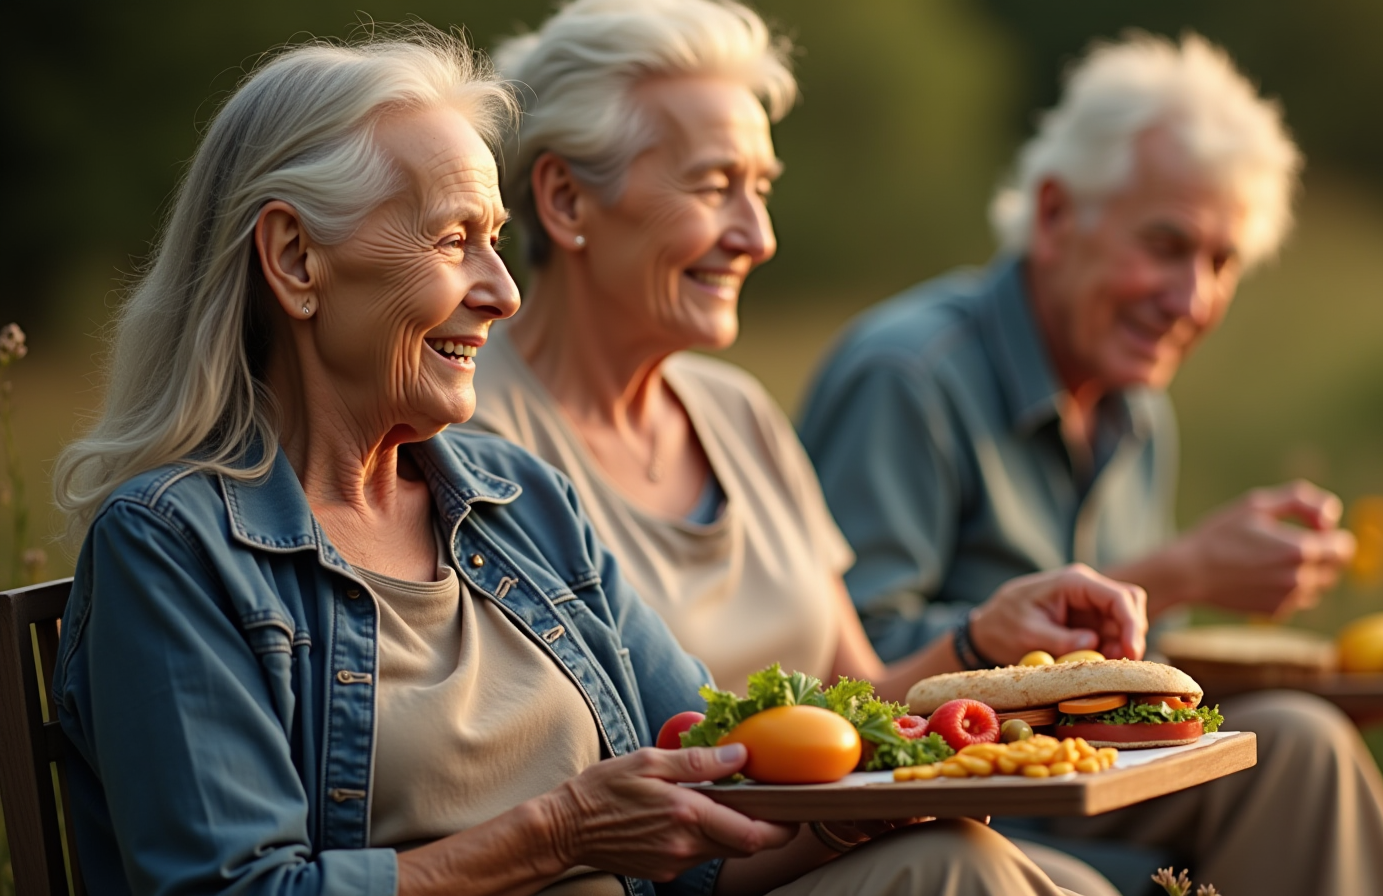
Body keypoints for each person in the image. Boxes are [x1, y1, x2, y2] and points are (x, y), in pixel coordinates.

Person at [49, 29, 1075, 896]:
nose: (502, 288)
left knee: (951, 853)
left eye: (498, 240)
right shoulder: (174, 548)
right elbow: (236, 885)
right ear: (295, 260)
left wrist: (877, 799)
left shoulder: (517, 499)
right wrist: (558, 832)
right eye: (455, 239)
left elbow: (711, 799)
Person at [470, 4, 1140, 892]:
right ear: (563, 198)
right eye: (714, 186)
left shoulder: (737, 412)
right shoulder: (474, 441)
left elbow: (860, 697)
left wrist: (982, 639)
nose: (758, 236)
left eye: (763, 187)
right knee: (958, 870)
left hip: (814, 852)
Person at [798, 34, 1383, 896]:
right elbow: (845, 677)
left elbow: (1125, 683)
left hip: (1085, 787)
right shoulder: (908, 377)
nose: (1194, 298)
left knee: (1302, 737)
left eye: (1222, 261)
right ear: (1055, 215)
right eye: (1166, 246)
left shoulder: (1137, 406)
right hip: (948, 813)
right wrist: (1186, 568)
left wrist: (1354, 681)